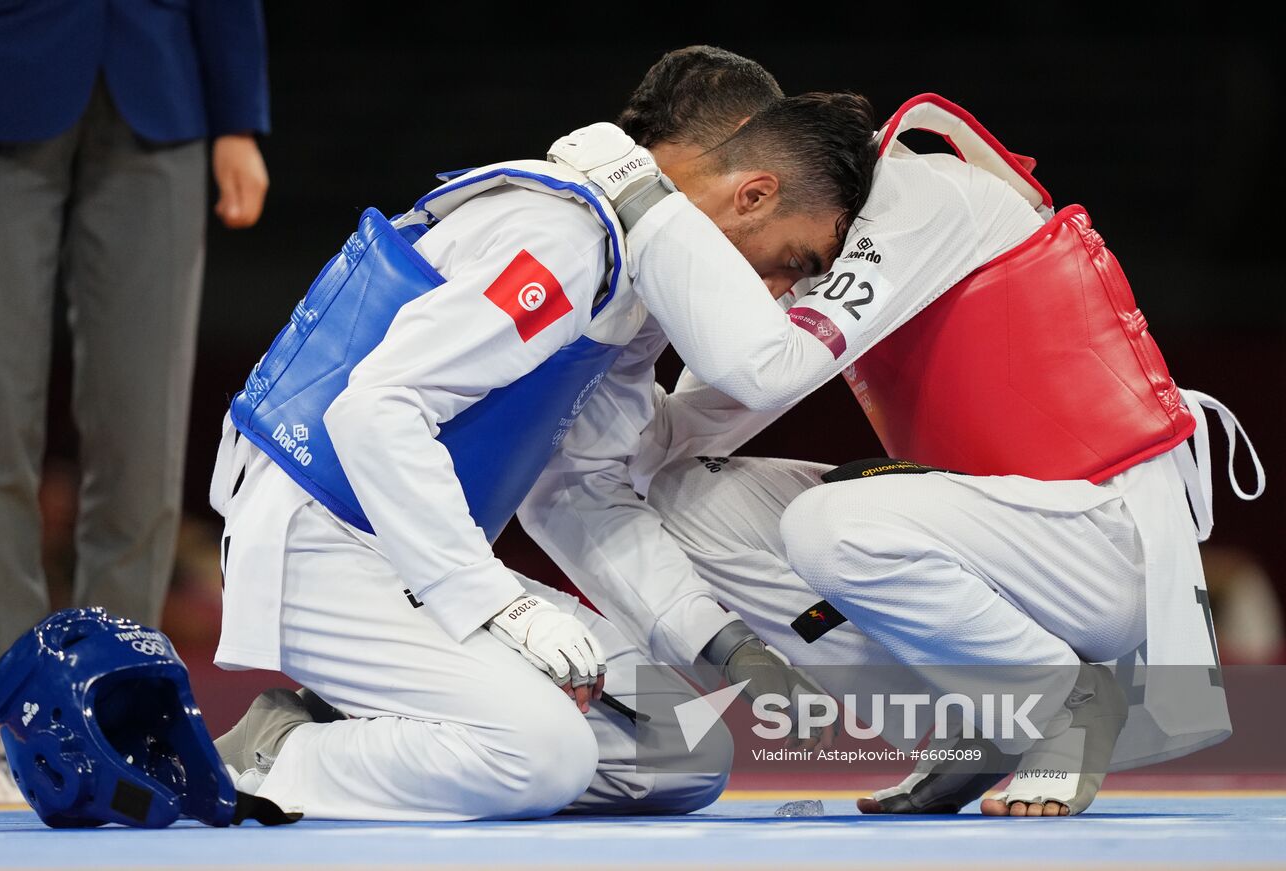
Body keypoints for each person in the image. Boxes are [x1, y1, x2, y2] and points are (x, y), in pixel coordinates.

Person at [518, 46, 1264, 818]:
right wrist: (580, 381)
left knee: (832, 526)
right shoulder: (817, 241)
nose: (760, 281)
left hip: (1099, 542)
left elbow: (762, 372)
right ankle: (970, 723)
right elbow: (668, 442)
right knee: (683, 501)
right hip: (1005, 540)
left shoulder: (918, 199)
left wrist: (639, 199)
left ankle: (1062, 701)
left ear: (756, 175)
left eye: (681, 201)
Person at [209, 92, 878, 821]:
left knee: (684, 754)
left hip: (415, 559)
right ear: (754, 195)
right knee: (538, 754)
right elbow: (374, 409)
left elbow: (577, 488)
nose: (778, 293)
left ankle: (380, 719)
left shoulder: (632, 283)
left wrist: (722, 645)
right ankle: (279, 750)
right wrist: (498, 603)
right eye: (791, 263)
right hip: (323, 539)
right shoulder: (567, 238)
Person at [0, 0, 271, 802]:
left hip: (157, 90)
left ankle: (117, 707)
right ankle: (25, 727)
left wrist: (237, 116)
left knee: (144, 444)